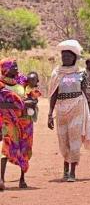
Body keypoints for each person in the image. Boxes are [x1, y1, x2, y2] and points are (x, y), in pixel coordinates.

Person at [47, 40, 90, 183]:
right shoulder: (56, 73)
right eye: (63, 56)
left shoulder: (81, 73)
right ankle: (65, 169)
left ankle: (72, 172)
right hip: (61, 109)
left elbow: (85, 93)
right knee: (63, 139)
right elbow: (53, 93)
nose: (66, 58)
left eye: (68, 56)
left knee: (75, 139)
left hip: (77, 108)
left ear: (74, 57)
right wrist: (50, 113)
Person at [0, 59, 36, 190]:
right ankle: (1, 179)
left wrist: (31, 101)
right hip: (8, 122)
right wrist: (19, 104)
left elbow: (29, 94)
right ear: (5, 69)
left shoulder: (20, 82)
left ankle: (22, 179)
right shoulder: (1, 85)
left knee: (24, 149)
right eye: (13, 67)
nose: (16, 69)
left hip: (25, 122)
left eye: (16, 67)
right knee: (6, 147)